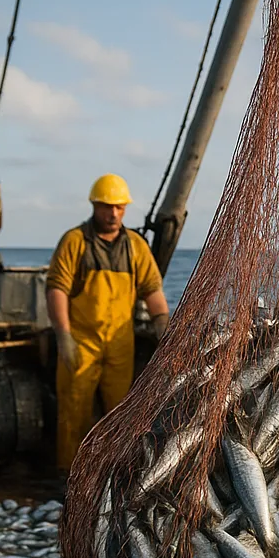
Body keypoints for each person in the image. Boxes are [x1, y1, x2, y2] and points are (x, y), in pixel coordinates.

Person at [46, 174, 170, 472]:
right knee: (73, 411)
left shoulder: (136, 247)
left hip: (120, 345)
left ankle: (109, 476)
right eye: (106, 207)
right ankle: (69, 474)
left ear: (125, 209)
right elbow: (56, 289)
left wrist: (163, 325)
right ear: (94, 205)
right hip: (81, 343)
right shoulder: (75, 241)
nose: (112, 213)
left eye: (118, 207)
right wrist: (63, 335)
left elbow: (152, 290)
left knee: (119, 413)